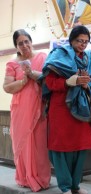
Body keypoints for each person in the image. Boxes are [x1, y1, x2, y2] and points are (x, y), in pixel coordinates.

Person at [41, 25, 91, 194]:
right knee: (61, 147)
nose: (83, 44)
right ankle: (65, 186)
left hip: (83, 109)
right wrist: (69, 82)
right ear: (71, 40)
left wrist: (87, 83)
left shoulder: (90, 59)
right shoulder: (58, 55)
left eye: (85, 41)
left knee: (80, 147)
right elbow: (49, 83)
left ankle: (76, 185)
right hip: (62, 108)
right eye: (79, 41)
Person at [2, 29, 51, 192]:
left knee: (39, 144)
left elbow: (49, 80)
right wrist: (23, 80)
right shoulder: (12, 63)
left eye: (26, 41)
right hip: (20, 110)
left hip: (39, 108)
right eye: (20, 43)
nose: (24, 45)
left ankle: (41, 179)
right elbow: (7, 87)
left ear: (31, 41)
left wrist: (32, 74)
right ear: (16, 46)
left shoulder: (42, 57)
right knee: (22, 143)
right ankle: (24, 177)